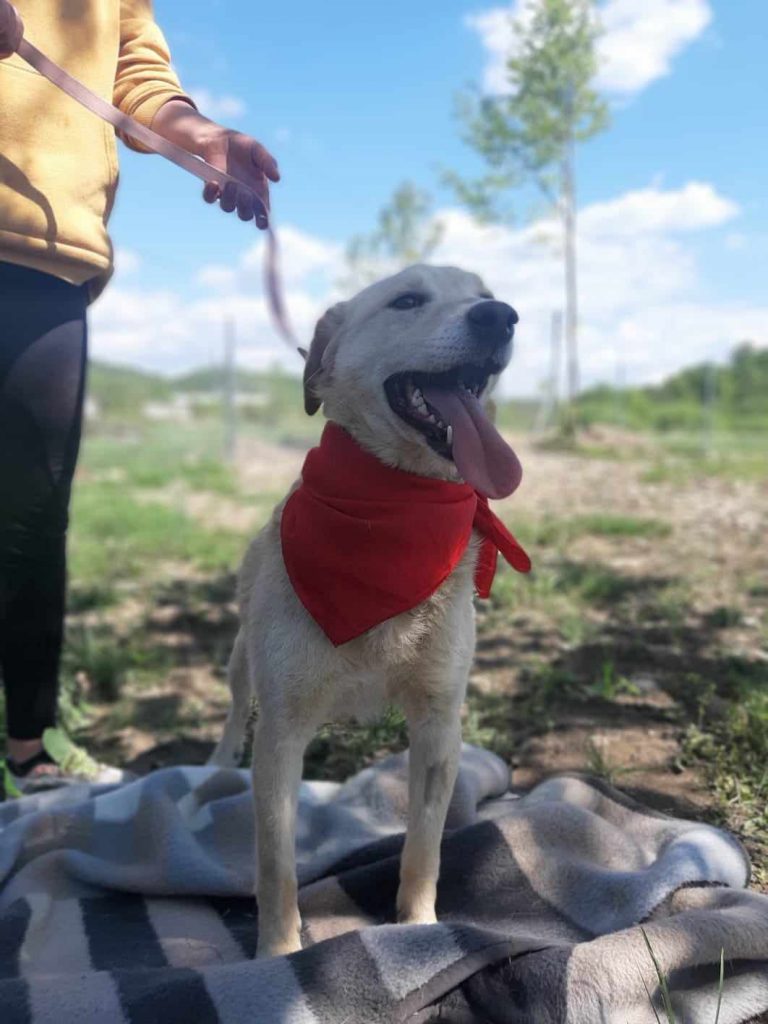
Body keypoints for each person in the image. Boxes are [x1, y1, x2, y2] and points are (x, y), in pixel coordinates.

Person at [0, 0, 280, 793]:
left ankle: (30, 746)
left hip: (47, 250)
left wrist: (196, 135)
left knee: (31, 517)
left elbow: (132, 69)